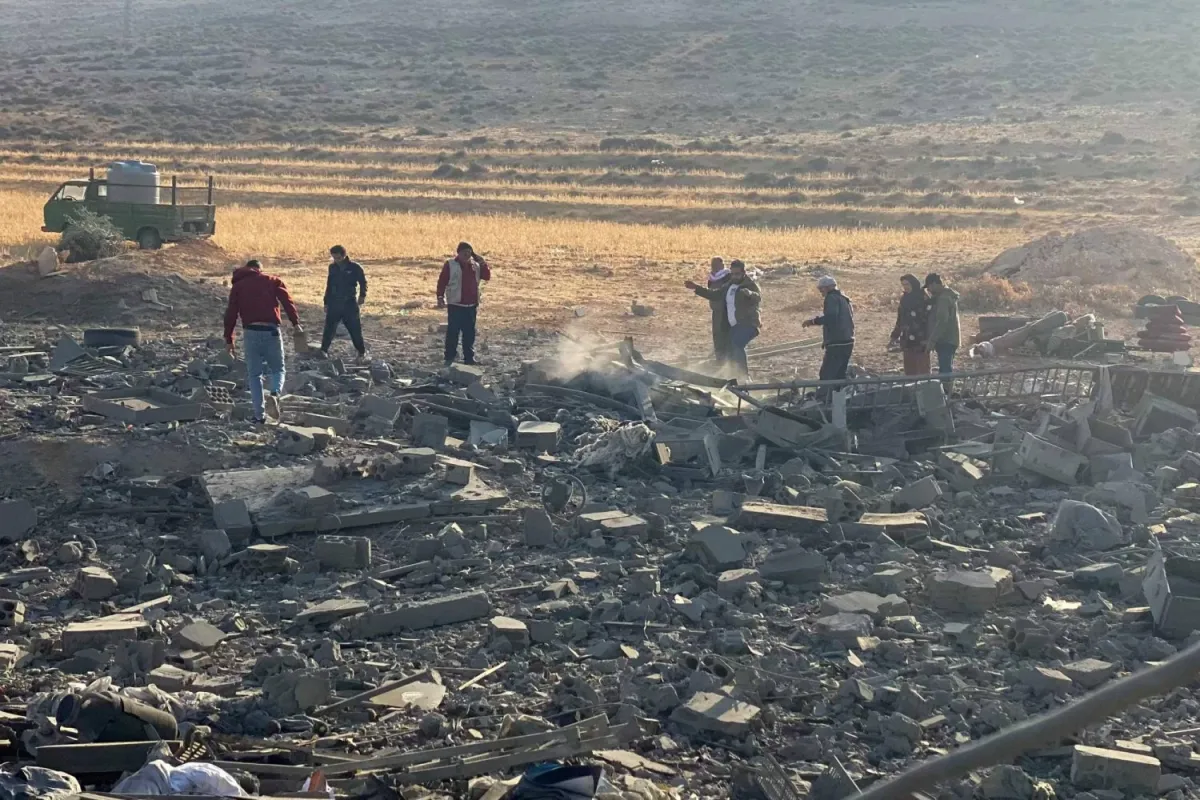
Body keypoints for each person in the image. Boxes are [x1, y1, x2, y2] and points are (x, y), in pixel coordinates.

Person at [223, 259, 302, 424]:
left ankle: (259, 416)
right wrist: (296, 323)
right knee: (278, 369)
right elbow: (287, 302)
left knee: (254, 375)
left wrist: (229, 339)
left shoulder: (238, 286)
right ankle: (274, 394)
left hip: (250, 332)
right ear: (259, 269)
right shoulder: (272, 280)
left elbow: (231, 313)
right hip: (271, 331)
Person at [685, 259, 760, 378]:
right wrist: (697, 288)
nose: (734, 277)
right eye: (733, 274)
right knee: (727, 350)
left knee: (736, 344)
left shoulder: (749, 285)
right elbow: (715, 295)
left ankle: (744, 376)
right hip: (733, 326)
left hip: (748, 324)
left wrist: (750, 294)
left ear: (743, 273)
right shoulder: (728, 285)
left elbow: (757, 297)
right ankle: (731, 375)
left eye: (737, 274)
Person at [437, 242, 491, 367]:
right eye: (464, 252)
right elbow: (442, 281)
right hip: (455, 304)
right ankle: (449, 357)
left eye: (469, 253)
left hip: (471, 305)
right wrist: (440, 297)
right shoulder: (450, 264)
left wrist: (482, 263)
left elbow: (486, 277)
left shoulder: (475, 265)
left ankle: (469, 358)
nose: (467, 255)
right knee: (453, 332)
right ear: (459, 253)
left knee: (469, 333)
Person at [802, 275, 855, 391]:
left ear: (828, 287)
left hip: (837, 342)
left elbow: (831, 317)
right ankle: (839, 398)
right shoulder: (844, 298)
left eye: (821, 288)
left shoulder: (831, 298)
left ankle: (825, 398)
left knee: (827, 375)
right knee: (840, 375)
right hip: (848, 341)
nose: (820, 292)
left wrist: (812, 321)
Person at [320, 245, 368, 361]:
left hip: (349, 303)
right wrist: (326, 302)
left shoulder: (355, 267)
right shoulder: (332, 268)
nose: (336, 260)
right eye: (334, 258)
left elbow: (363, 282)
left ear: (344, 255)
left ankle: (361, 352)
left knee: (354, 329)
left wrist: (362, 295)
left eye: (338, 258)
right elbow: (329, 286)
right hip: (334, 303)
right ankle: (323, 351)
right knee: (329, 329)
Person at [890, 274, 932, 375]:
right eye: (903, 285)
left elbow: (930, 319)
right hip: (907, 337)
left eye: (907, 284)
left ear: (913, 284)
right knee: (909, 367)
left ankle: (925, 384)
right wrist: (895, 335)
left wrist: (929, 337)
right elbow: (900, 319)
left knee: (922, 366)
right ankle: (910, 384)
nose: (905, 287)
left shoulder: (923, 298)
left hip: (921, 337)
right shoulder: (904, 299)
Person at [924, 272, 961, 375]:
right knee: (946, 368)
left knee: (945, 370)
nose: (929, 290)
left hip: (945, 339)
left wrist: (932, 341)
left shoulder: (943, 299)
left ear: (934, 284)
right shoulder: (945, 296)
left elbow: (942, 321)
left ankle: (946, 385)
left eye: (929, 287)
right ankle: (947, 385)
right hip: (949, 338)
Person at [704, 257, 731, 367]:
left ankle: (727, 360)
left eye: (717, 264)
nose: (714, 267)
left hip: (726, 310)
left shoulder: (727, 276)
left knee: (724, 334)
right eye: (713, 264)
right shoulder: (711, 278)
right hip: (716, 310)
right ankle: (719, 359)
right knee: (716, 334)